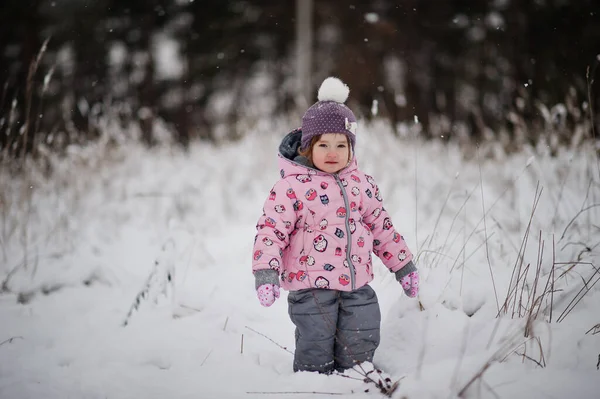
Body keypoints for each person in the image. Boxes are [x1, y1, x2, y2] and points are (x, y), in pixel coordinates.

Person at [251, 76, 419, 374]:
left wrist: (403, 267)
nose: (333, 153)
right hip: (310, 287)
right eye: (324, 144)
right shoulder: (292, 187)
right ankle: (314, 385)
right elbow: (271, 231)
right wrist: (266, 273)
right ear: (307, 148)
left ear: (351, 148)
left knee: (362, 336)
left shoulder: (361, 184)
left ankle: (355, 381)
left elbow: (382, 228)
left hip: (357, 286)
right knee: (315, 341)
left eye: (341, 145)